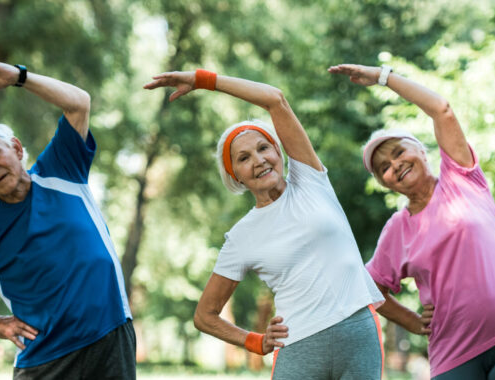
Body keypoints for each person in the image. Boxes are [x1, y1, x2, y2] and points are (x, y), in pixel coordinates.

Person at [142, 68, 386, 379]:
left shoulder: (310, 181)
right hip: (299, 345)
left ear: (278, 151)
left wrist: (205, 80)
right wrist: (254, 341)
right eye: (243, 158)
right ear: (235, 176)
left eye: (263, 148)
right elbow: (205, 316)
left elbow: (275, 99)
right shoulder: (242, 236)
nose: (258, 160)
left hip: (357, 332)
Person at [329, 63, 495, 380]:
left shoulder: (461, 178)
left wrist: (382, 77)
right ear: (385, 183)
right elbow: (367, 287)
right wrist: (411, 320)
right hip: (453, 348)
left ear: (420, 149)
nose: (395, 165)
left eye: (398, 152)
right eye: (384, 169)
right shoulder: (398, 228)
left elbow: (441, 109)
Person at [0, 61, 135, 379]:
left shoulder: (61, 168)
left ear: (16, 148)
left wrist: (17, 77)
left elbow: (79, 102)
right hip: (47, 360)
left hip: (111, 335)